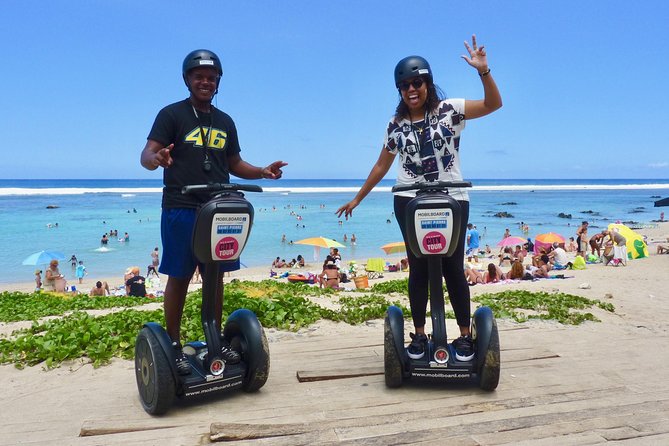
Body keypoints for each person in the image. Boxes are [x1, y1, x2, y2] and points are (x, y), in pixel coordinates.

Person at [336, 36, 502, 362]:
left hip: (452, 196)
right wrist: (357, 199)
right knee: (419, 268)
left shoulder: (450, 110)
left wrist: (484, 72)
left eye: (417, 82)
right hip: (409, 199)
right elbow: (382, 164)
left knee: (453, 266)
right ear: (399, 90)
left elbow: (493, 104)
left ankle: (465, 336)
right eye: (404, 85)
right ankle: (420, 334)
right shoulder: (395, 124)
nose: (412, 89)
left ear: (427, 83)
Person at [140, 49, 287, 375]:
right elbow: (147, 154)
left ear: (218, 81)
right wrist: (158, 158)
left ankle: (215, 340)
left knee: (214, 276)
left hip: (218, 209)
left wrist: (262, 171)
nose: (205, 81)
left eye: (211, 77)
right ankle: (174, 345)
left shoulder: (225, 122)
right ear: (188, 80)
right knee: (178, 275)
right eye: (199, 76)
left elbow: (234, 164)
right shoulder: (172, 114)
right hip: (181, 206)